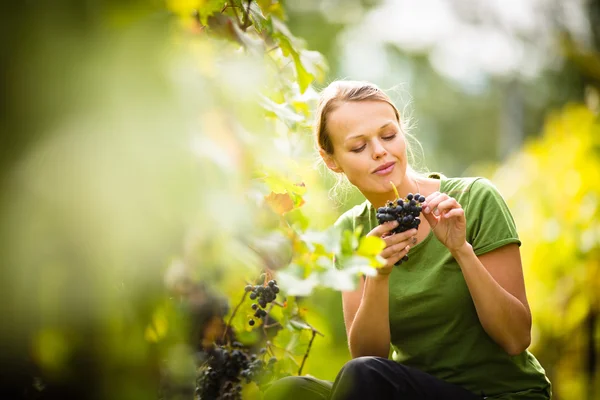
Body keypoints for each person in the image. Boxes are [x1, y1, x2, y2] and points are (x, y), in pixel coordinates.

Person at [263, 80, 552, 400]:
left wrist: (461, 250)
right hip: (411, 389)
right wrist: (378, 275)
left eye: (388, 135)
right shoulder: (351, 231)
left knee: (364, 376)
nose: (380, 151)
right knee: (289, 392)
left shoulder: (474, 200)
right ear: (332, 160)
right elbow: (368, 356)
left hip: (499, 395)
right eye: (358, 147)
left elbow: (515, 338)